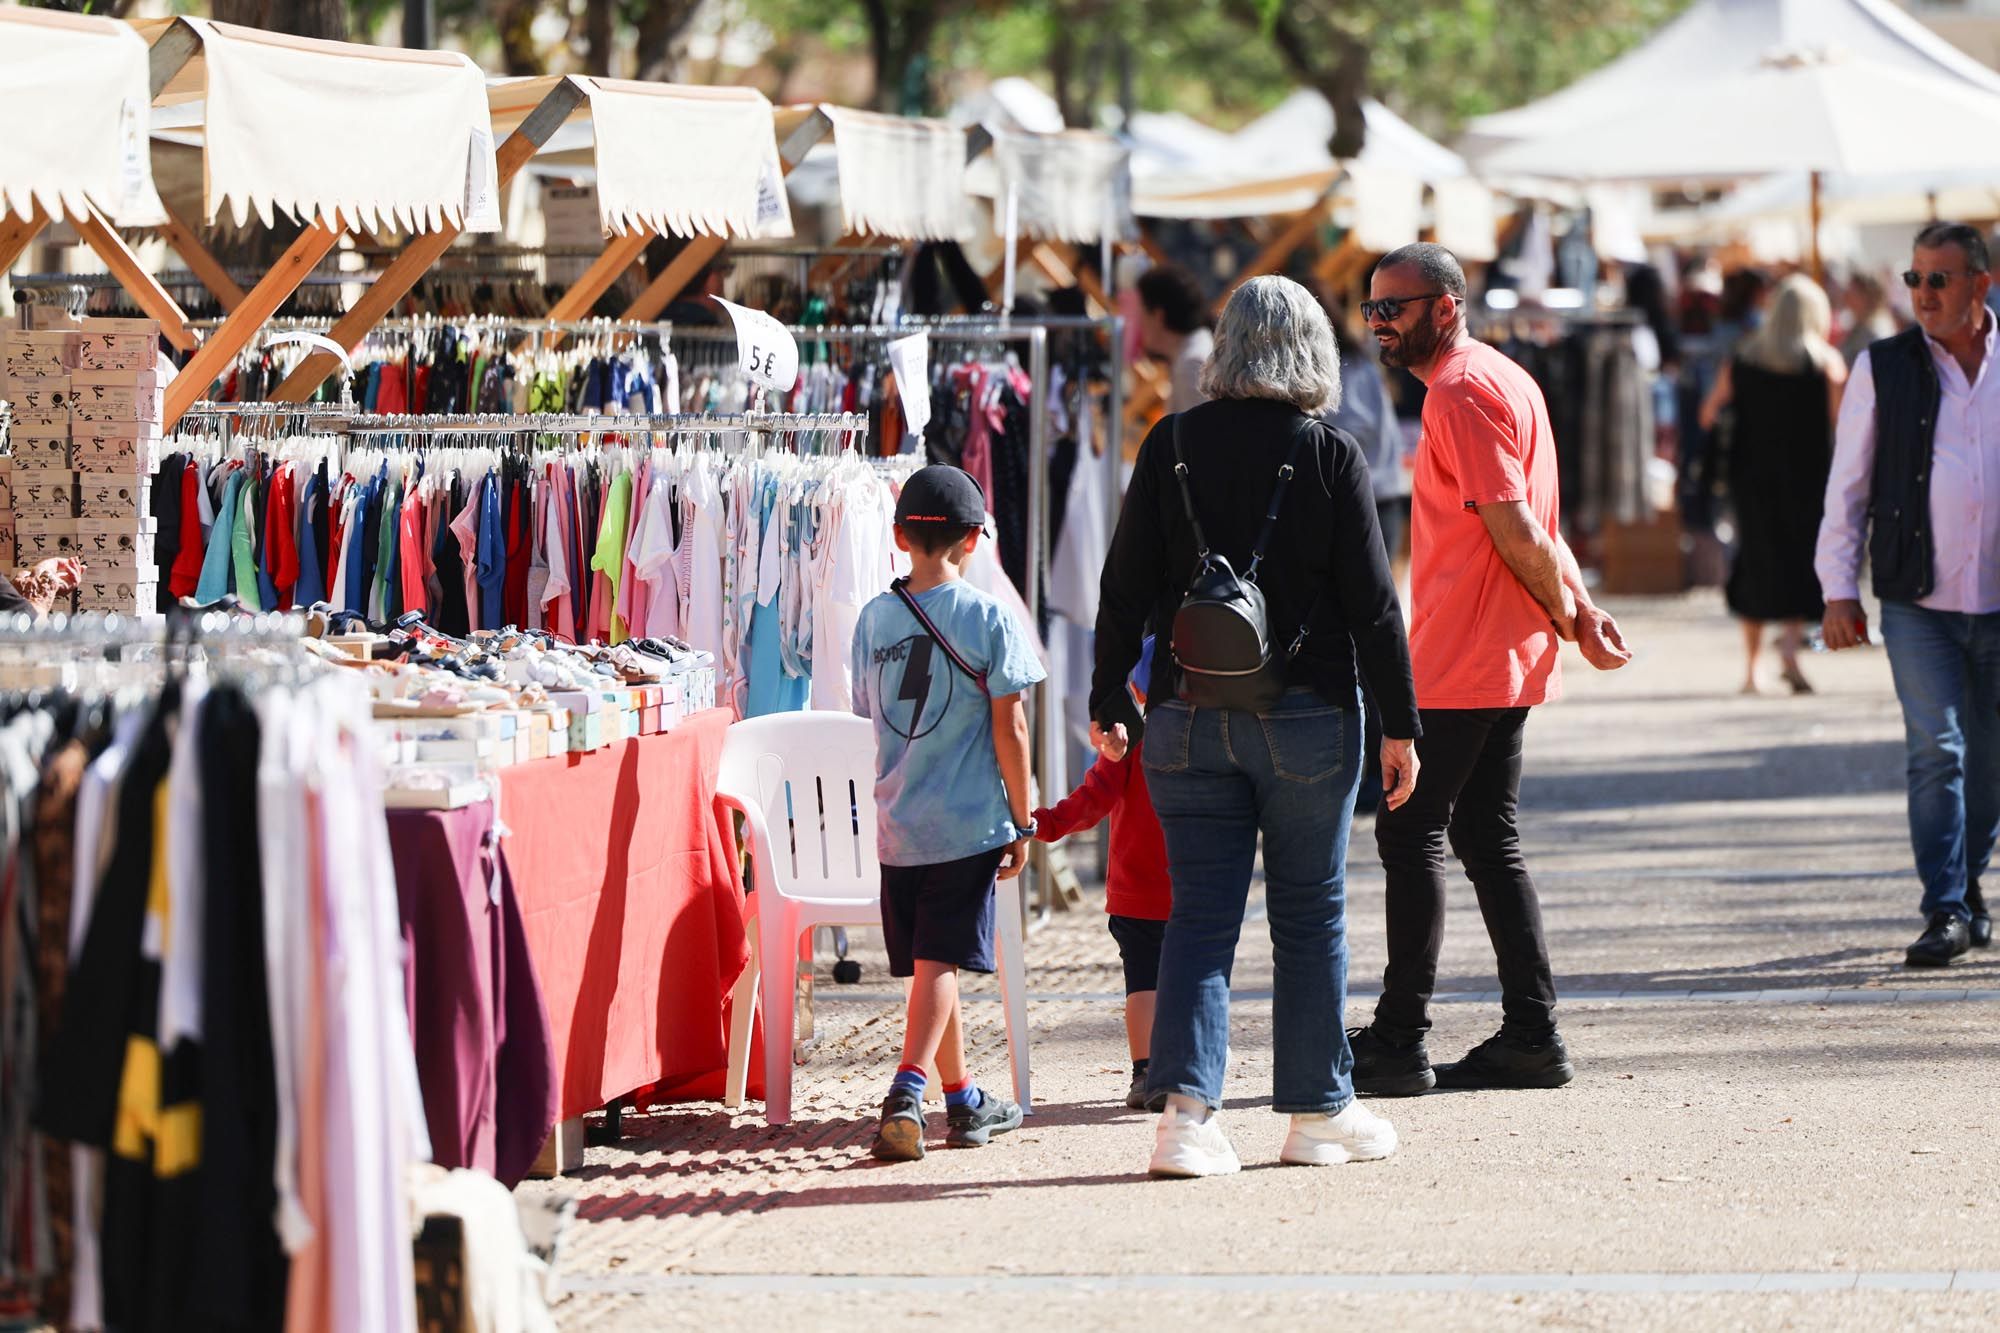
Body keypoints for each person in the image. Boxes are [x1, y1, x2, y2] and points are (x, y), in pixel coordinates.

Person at [1092, 275, 1421, 1178]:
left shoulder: (1170, 444)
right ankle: (1318, 1112)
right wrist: (1401, 725)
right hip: (1309, 714)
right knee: (1310, 913)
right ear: (1313, 350)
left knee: (1197, 914)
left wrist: (1108, 697)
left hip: (1187, 714)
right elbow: (1375, 609)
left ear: (1228, 347)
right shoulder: (1330, 453)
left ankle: (1187, 1121)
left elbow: (1123, 586)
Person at [1347, 243, 1632, 1099]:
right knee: (1482, 835)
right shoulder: (1499, 377)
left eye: (1392, 307)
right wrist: (1574, 609)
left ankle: (1400, 1040)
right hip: (1498, 649)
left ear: (1444, 306)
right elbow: (1539, 522)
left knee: (1411, 830)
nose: (1378, 324)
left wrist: (1574, 613)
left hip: (1466, 654)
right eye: (1371, 309)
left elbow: (1518, 527)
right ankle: (1531, 1032)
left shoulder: (1464, 392)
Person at [849, 465, 1045, 1160]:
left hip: (898, 823)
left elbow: (868, 714)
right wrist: (1024, 820)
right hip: (967, 825)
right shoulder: (989, 616)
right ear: (970, 542)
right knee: (940, 961)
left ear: (900, 535)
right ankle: (906, 1094)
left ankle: (962, 1097)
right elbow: (1011, 729)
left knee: (938, 961)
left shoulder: (873, 617)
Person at [1818, 221, 2000, 968]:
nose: (1922, 293)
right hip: (1916, 598)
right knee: (1936, 752)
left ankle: (1966, 882)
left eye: (1939, 279)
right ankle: (1945, 907)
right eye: (1914, 278)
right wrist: (1838, 588)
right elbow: (1849, 485)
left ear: (1980, 285)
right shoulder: (1882, 366)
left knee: (1989, 760)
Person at [1030, 638, 1169, 1111]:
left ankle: (1146, 1071)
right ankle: (1188, 1064)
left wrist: (1045, 823)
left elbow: (1092, 801)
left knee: (1143, 984)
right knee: (1193, 977)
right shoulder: (1209, 741)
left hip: (1136, 888)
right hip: (1199, 886)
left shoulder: (1126, 740)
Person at [1698, 274, 1846, 695]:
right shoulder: (1827, 366)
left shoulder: (1743, 360)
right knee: (1799, 562)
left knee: (1755, 563)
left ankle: (1751, 669)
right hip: (1807, 479)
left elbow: (1708, 414)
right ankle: (1789, 653)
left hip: (1752, 479)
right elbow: (1846, 426)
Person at [1136, 265, 1214, 413]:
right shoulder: (1197, 349)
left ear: (1158, 316)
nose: (1139, 322)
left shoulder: (1191, 365)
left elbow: (1199, 434)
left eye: (1142, 313)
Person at [1838, 271, 1899, 368]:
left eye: (1853, 290)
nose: (1846, 295)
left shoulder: (1876, 330)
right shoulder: (1857, 325)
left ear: (1867, 296)